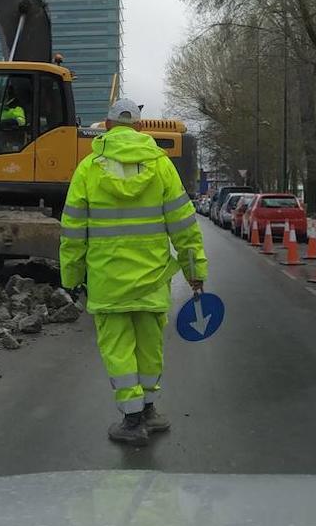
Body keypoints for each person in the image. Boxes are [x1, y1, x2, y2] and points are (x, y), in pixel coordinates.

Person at [59, 98, 206, 447]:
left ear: (107, 127)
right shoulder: (162, 167)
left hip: (107, 282)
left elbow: (73, 231)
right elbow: (184, 226)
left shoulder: (89, 169)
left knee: (119, 349)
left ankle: (132, 419)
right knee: (150, 347)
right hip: (153, 280)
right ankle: (150, 410)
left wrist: (70, 277)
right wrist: (194, 271)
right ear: (140, 128)